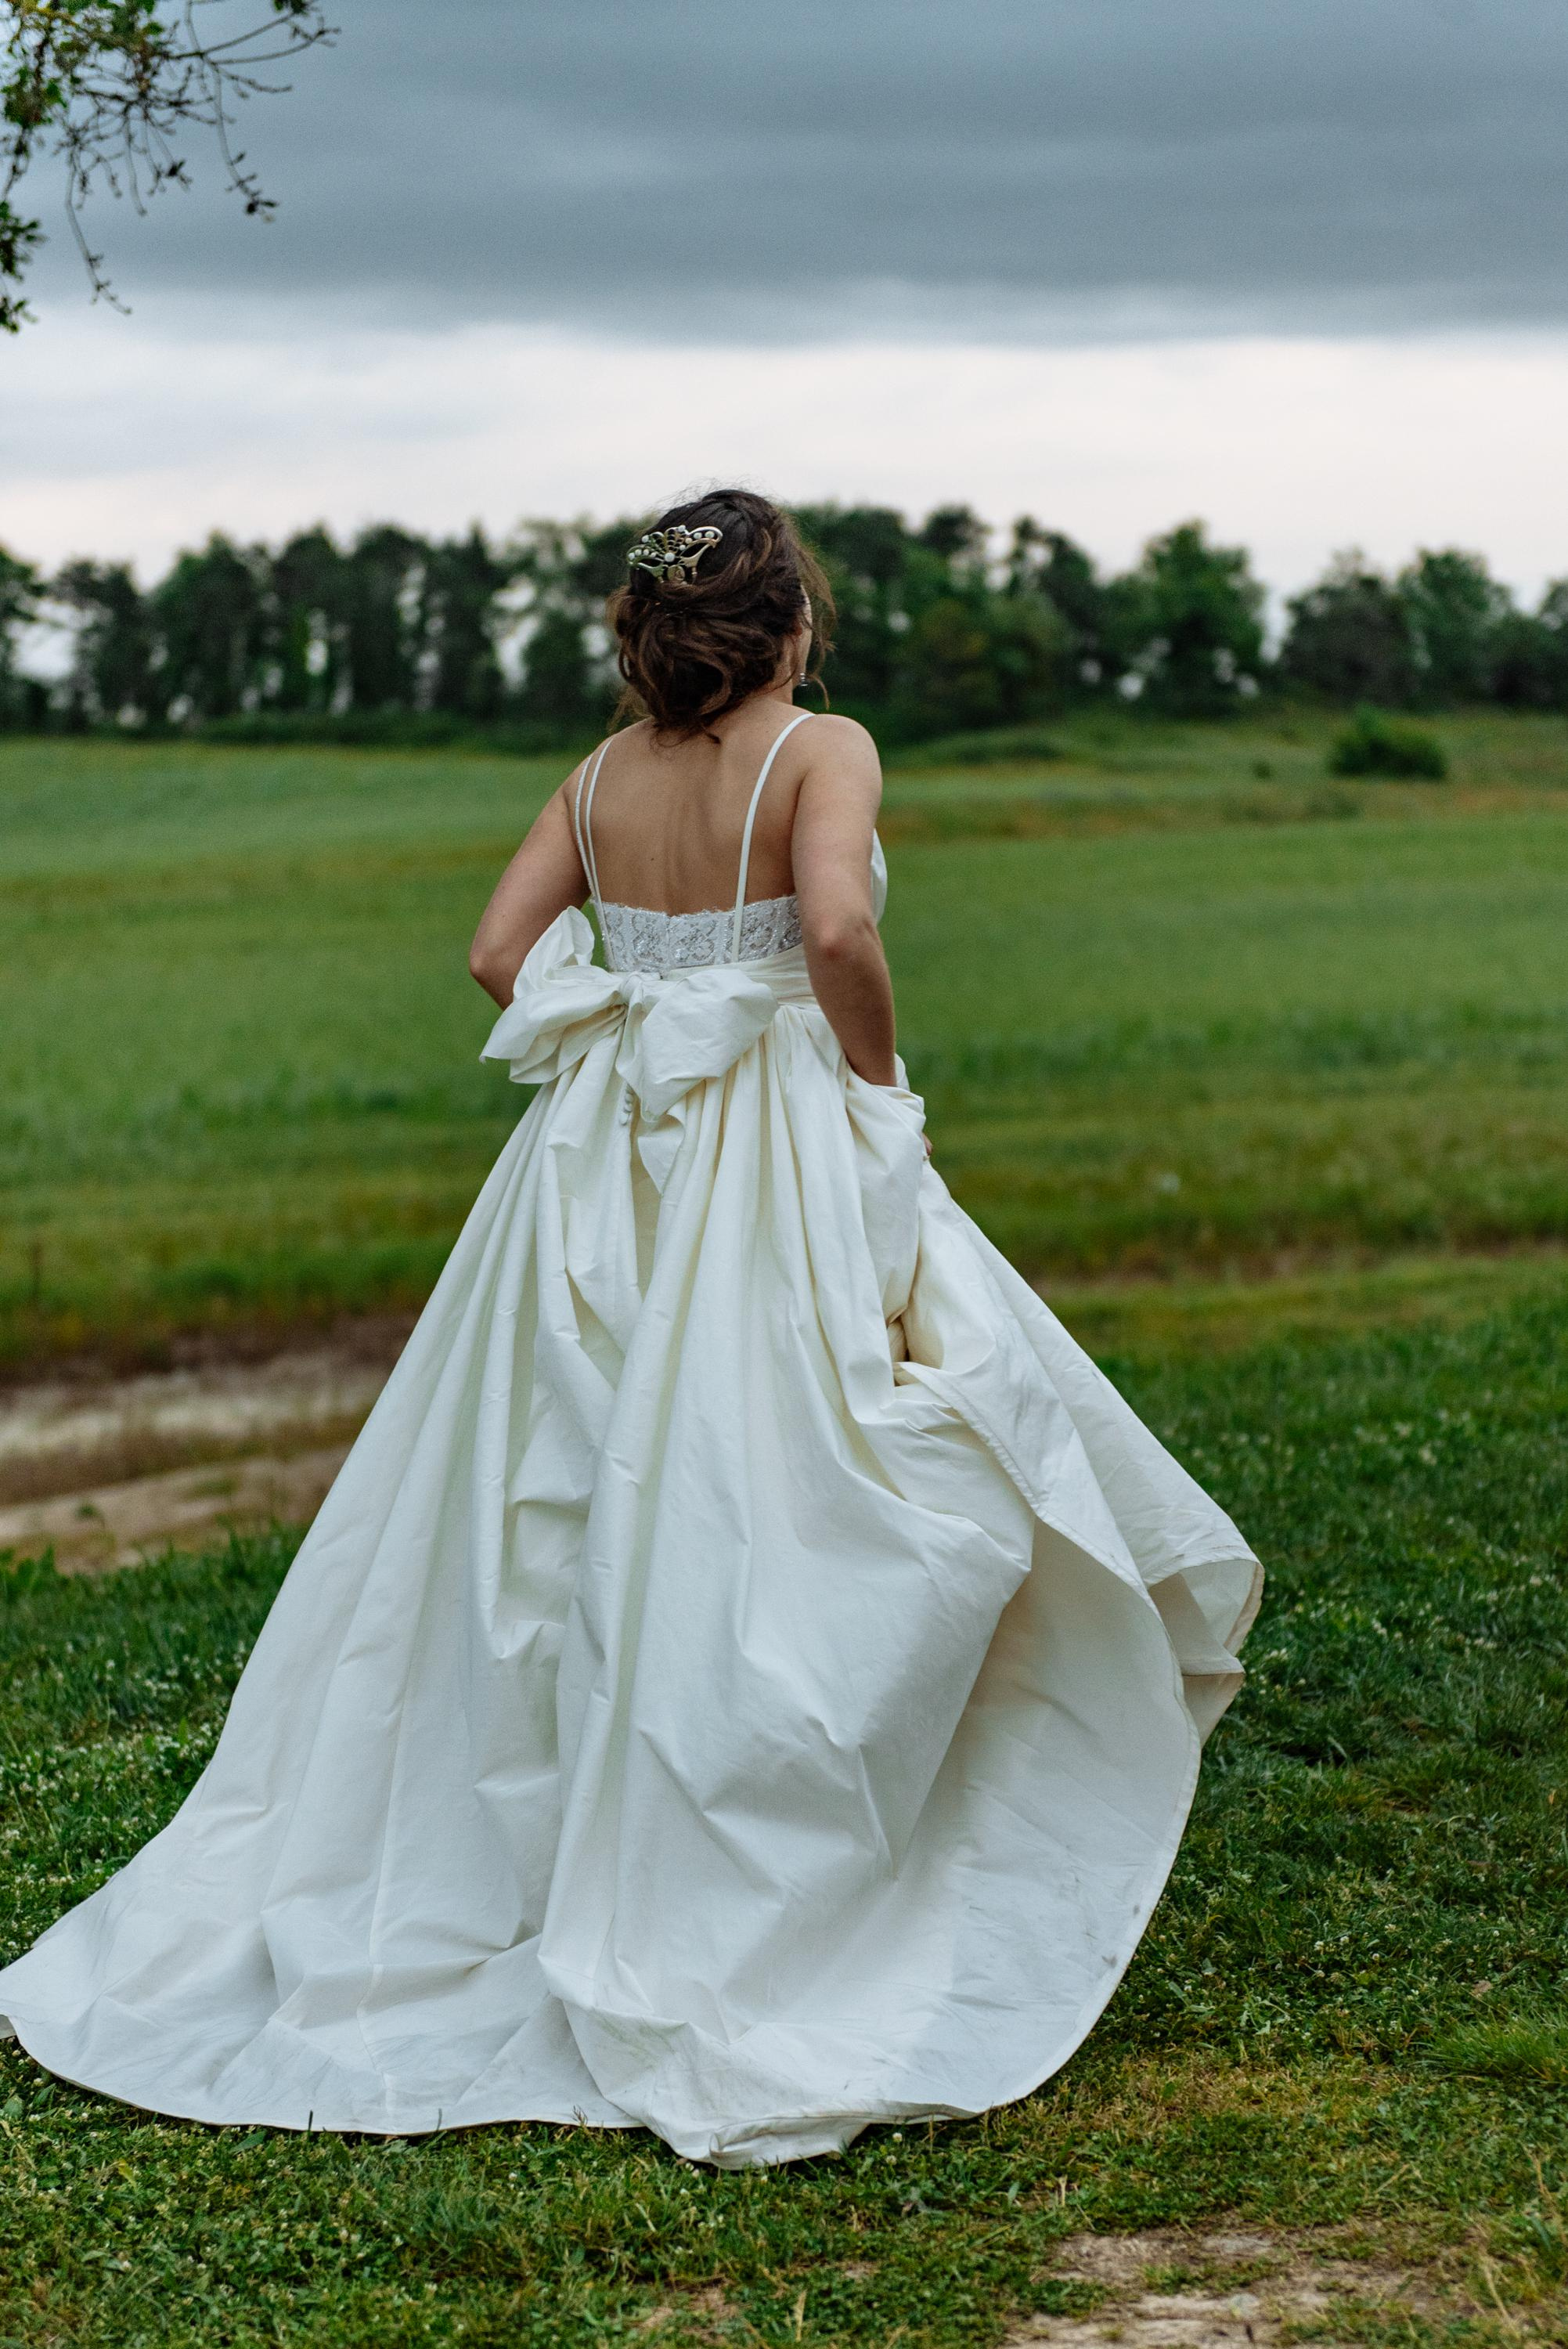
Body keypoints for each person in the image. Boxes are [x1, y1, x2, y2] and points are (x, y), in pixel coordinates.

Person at [0, 489, 1259, 2169]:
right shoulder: (825, 752)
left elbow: (496, 953)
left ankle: (548, 1835)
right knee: (807, 1467)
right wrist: (876, 1092)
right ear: (792, 621)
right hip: (780, 1143)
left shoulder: (596, 781)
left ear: (658, 630)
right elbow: (833, 930)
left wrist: (631, 1021)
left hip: (593, 1166)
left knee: (569, 1492)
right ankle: (793, 1859)